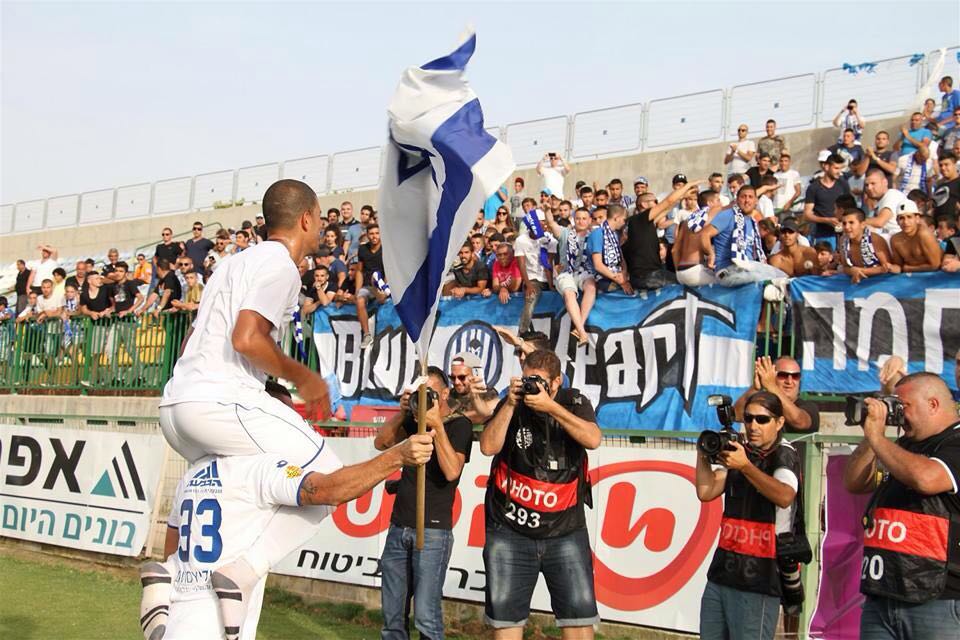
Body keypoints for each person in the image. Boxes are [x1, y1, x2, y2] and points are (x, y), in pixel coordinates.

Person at [150, 179, 436, 640]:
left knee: (219, 494)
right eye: (320, 218)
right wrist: (302, 377)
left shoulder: (230, 264)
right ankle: (244, 571)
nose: (322, 227)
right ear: (306, 218)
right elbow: (246, 338)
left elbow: (196, 343)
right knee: (327, 471)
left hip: (177, 406)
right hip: (218, 402)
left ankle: (170, 578)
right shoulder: (280, 264)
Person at [151, 417, 434, 640]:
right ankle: (245, 569)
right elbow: (326, 491)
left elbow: (172, 542)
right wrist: (398, 456)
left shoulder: (194, 471)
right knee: (319, 507)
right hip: (214, 625)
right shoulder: (262, 467)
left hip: (178, 615)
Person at [479, 349, 602, 639]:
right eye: (526, 380)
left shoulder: (573, 402)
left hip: (566, 531)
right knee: (505, 622)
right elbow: (488, 447)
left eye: (539, 381)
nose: (531, 387)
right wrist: (509, 405)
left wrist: (551, 407)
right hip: (510, 529)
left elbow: (593, 439)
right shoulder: (513, 403)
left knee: (579, 620)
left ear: (557, 382)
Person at [842, 371, 960, 640]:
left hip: (938, 600)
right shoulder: (904, 445)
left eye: (902, 405)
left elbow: (926, 478)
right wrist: (872, 437)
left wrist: (878, 438)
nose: (898, 413)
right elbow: (855, 482)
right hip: (883, 593)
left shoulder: (955, 442)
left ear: (933, 404)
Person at [375, 367, 473, 640]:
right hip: (399, 526)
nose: (424, 398)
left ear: (445, 393)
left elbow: (452, 471)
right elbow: (381, 442)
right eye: (420, 393)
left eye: (430, 393)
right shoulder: (412, 421)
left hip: (433, 531)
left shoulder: (459, 425)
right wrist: (402, 412)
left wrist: (436, 425)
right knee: (392, 617)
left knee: (426, 617)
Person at [696, 391, 803, 640]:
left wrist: (745, 466)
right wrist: (703, 453)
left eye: (762, 420)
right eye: (748, 419)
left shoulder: (784, 453)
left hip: (760, 579)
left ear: (779, 422)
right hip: (722, 573)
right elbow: (706, 491)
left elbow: (785, 495)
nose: (753, 426)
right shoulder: (741, 452)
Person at [701, 185, 786, 286]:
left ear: (756, 201)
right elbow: (704, 234)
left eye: (750, 197)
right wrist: (711, 254)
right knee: (763, 279)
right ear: (737, 200)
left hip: (748, 267)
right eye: (743, 197)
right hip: (728, 269)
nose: (747, 200)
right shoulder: (728, 215)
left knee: (782, 276)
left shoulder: (752, 222)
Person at [545, 204, 596, 346]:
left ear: (590, 220)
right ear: (573, 219)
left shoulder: (594, 236)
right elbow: (551, 223)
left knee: (591, 287)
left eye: (584, 218)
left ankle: (579, 328)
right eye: (578, 218)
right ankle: (582, 333)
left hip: (584, 272)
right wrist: (547, 210)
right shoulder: (565, 233)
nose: (581, 221)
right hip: (565, 272)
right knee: (569, 293)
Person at [734, 357, 819, 433]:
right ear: (771, 376)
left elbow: (799, 421)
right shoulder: (763, 405)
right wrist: (755, 388)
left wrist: (772, 386)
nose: (789, 381)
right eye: (783, 375)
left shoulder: (809, 407)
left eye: (795, 376)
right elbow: (736, 415)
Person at [673, 189, 724, 286]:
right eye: (718, 200)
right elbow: (703, 236)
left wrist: (678, 272)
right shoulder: (710, 214)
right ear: (710, 203)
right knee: (725, 283)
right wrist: (711, 254)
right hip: (695, 270)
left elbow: (674, 250)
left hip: (680, 273)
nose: (720, 203)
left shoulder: (687, 221)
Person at [803, 153, 849, 247]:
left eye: (840, 169)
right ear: (827, 167)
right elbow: (807, 215)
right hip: (821, 235)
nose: (839, 172)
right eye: (836, 168)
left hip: (842, 233)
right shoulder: (814, 188)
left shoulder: (843, 185)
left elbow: (850, 207)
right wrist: (827, 220)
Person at [837, 208, 894, 284]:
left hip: (880, 282)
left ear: (863, 225)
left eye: (851, 223)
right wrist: (852, 271)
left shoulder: (875, 240)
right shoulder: (843, 240)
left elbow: (887, 268)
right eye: (844, 223)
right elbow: (845, 267)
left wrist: (861, 271)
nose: (847, 227)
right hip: (857, 282)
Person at [888, 200, 943, 274]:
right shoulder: (895, 240)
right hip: (911, 276)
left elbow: (935, 265)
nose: (905, 222)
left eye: (909, 217)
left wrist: (909, 268)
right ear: (897, 221)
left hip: (934, 275)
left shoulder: (924, 234)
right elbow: (899, 266)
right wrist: (891, 267)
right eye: (901, 218)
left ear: (917, 219)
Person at [355, 223, 388, 349]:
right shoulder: (362, 249)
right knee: (359, 300)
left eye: (377, 233)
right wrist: (357, 289)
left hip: (383, 284)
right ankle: (367, 335)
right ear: (367, 235)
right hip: (368, 285)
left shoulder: (386, 249)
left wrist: (384, 287)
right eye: (372, 234)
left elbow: (389, 270)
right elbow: (359, 270)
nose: (374, 236)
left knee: (381, 296)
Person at [588, 204, 632, 294]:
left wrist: (623, 274)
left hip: (617, 274)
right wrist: (620, 281)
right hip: (602, 278)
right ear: (616, 218)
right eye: (624, 220)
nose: (624, 223)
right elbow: (598, 265)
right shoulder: (598, 234)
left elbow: (622, 260)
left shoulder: (615, 234)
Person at [447, 352, 499, 424]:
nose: (456, 382)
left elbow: (485, 414)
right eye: (452, 377)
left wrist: (475, 397)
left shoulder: (489, 393)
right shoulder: (449, 395)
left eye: (462, 377)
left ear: (475, 374)